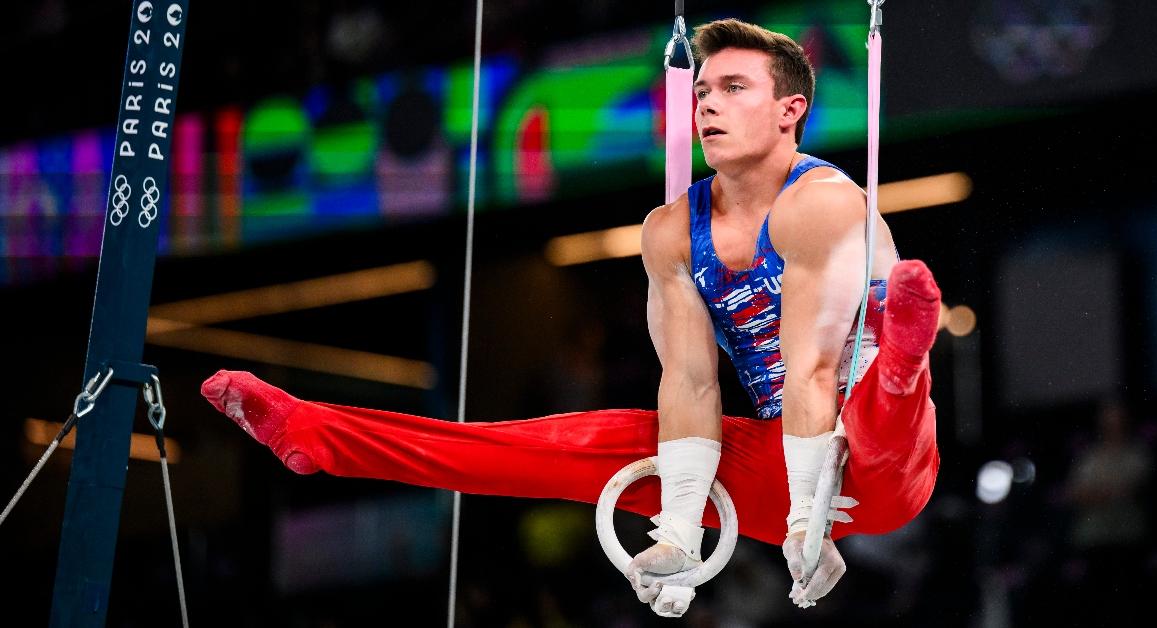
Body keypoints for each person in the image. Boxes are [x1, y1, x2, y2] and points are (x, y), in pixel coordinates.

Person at [200, 18, 940, 615]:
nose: (706, 104)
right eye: (703, 88)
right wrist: (680, 531)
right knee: (558, 447)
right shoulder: (671, 230)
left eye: (733, 88)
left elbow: (811, 370)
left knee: (877, 406)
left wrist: (810, 527)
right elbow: (690, 382)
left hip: (872, 457)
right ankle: (317, 436)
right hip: (781, 455)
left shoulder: (823, 205)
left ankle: (907, 345)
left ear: (790, 111)